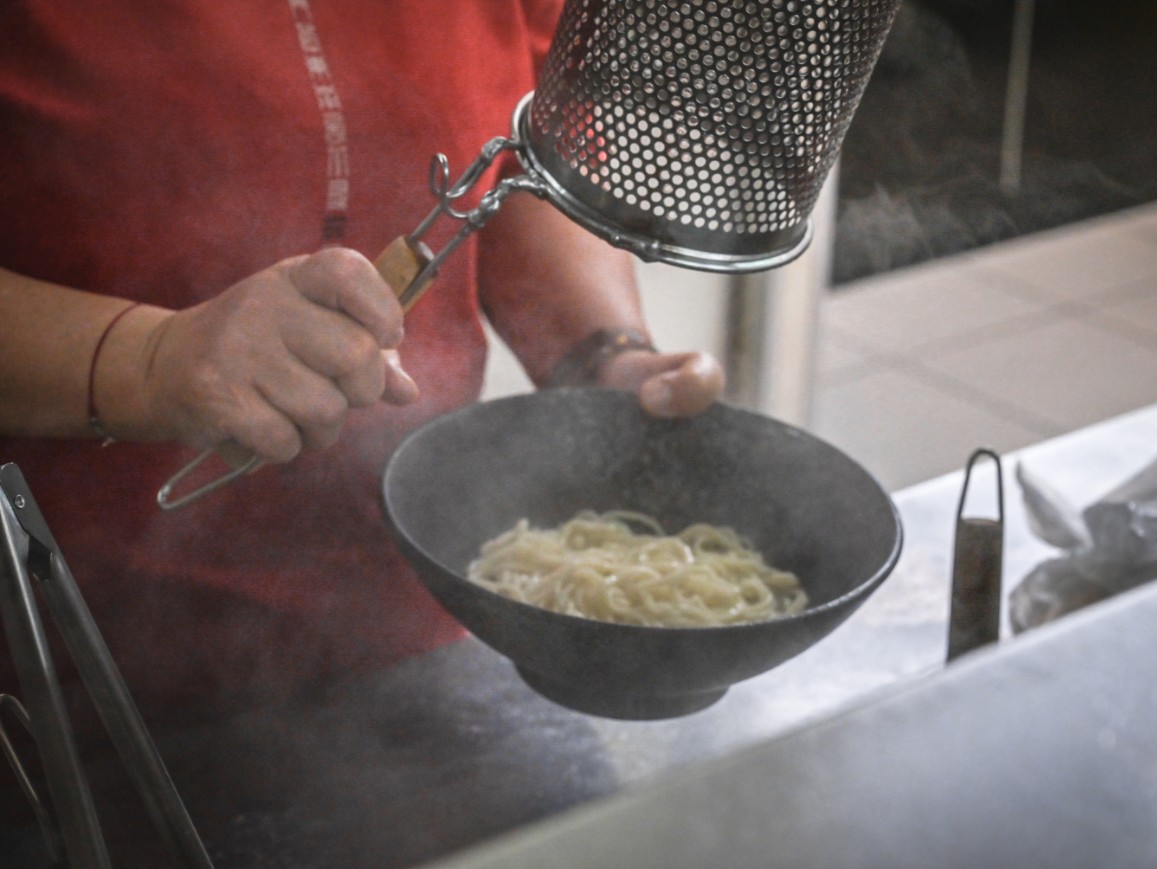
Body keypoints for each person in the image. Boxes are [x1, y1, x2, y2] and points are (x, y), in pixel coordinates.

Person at [0, 2, 724, 721]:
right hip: (68, 677)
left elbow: (524, 153)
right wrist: (148, 360)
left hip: (423, 626)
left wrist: (601, 356)